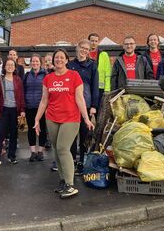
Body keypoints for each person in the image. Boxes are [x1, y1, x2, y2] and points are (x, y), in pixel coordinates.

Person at [34, 49, 94, 199]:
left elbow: (80, 99)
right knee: (56, 149)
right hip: (52, 118)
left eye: (62, 58)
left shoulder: (74, 76)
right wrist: (37, 119)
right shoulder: (48, 78)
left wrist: (86, 118)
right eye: (56, 58)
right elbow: (44, 100)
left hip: (71, 118)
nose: (59, 60)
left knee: (63, 148)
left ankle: (70, 184)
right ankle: (63, 180)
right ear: (53, 61)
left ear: (67, 60)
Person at [0, 59, 26, 168]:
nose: (10, 66)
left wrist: (22, 110)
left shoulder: (18, 79)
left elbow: (21, 96)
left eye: (12, 65)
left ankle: (11, 156)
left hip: (15, 110)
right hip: (3, 110)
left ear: (14, 67)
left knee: (14, 134)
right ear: (5, 67)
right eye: (8, 65)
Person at [68, 40, 99, 175]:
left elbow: (95, 87)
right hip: (70, 106)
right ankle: (72, 161)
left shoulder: (92, 66)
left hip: (85, 105)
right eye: (82, 48)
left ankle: (82, 162)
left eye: (87, 49)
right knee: (72, 136)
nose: (84, 50)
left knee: (84, 135)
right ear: (77, 48)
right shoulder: (69, 65)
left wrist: (94, 105)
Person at [23, 54, 47, 162]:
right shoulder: (27, 75)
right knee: (31, 129)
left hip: (41, 107)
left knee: (42, 129)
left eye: (37, 61)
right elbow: (23, 90)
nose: (35, 63)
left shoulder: (45, 75)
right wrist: (23, 107)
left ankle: (40, 151)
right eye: (33, 61)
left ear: (40, 63)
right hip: (29, 106)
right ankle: (33, 152)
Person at [88, 33, 111, 108]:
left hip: (100, 89)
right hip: (88, 88)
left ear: (98, 42)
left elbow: (108, 73)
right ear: (88, 41)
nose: (94, 43)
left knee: (100, 113)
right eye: (92, 41)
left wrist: (107, 89)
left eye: (96, 41)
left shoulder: (104, 54)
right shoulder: (85, 54)